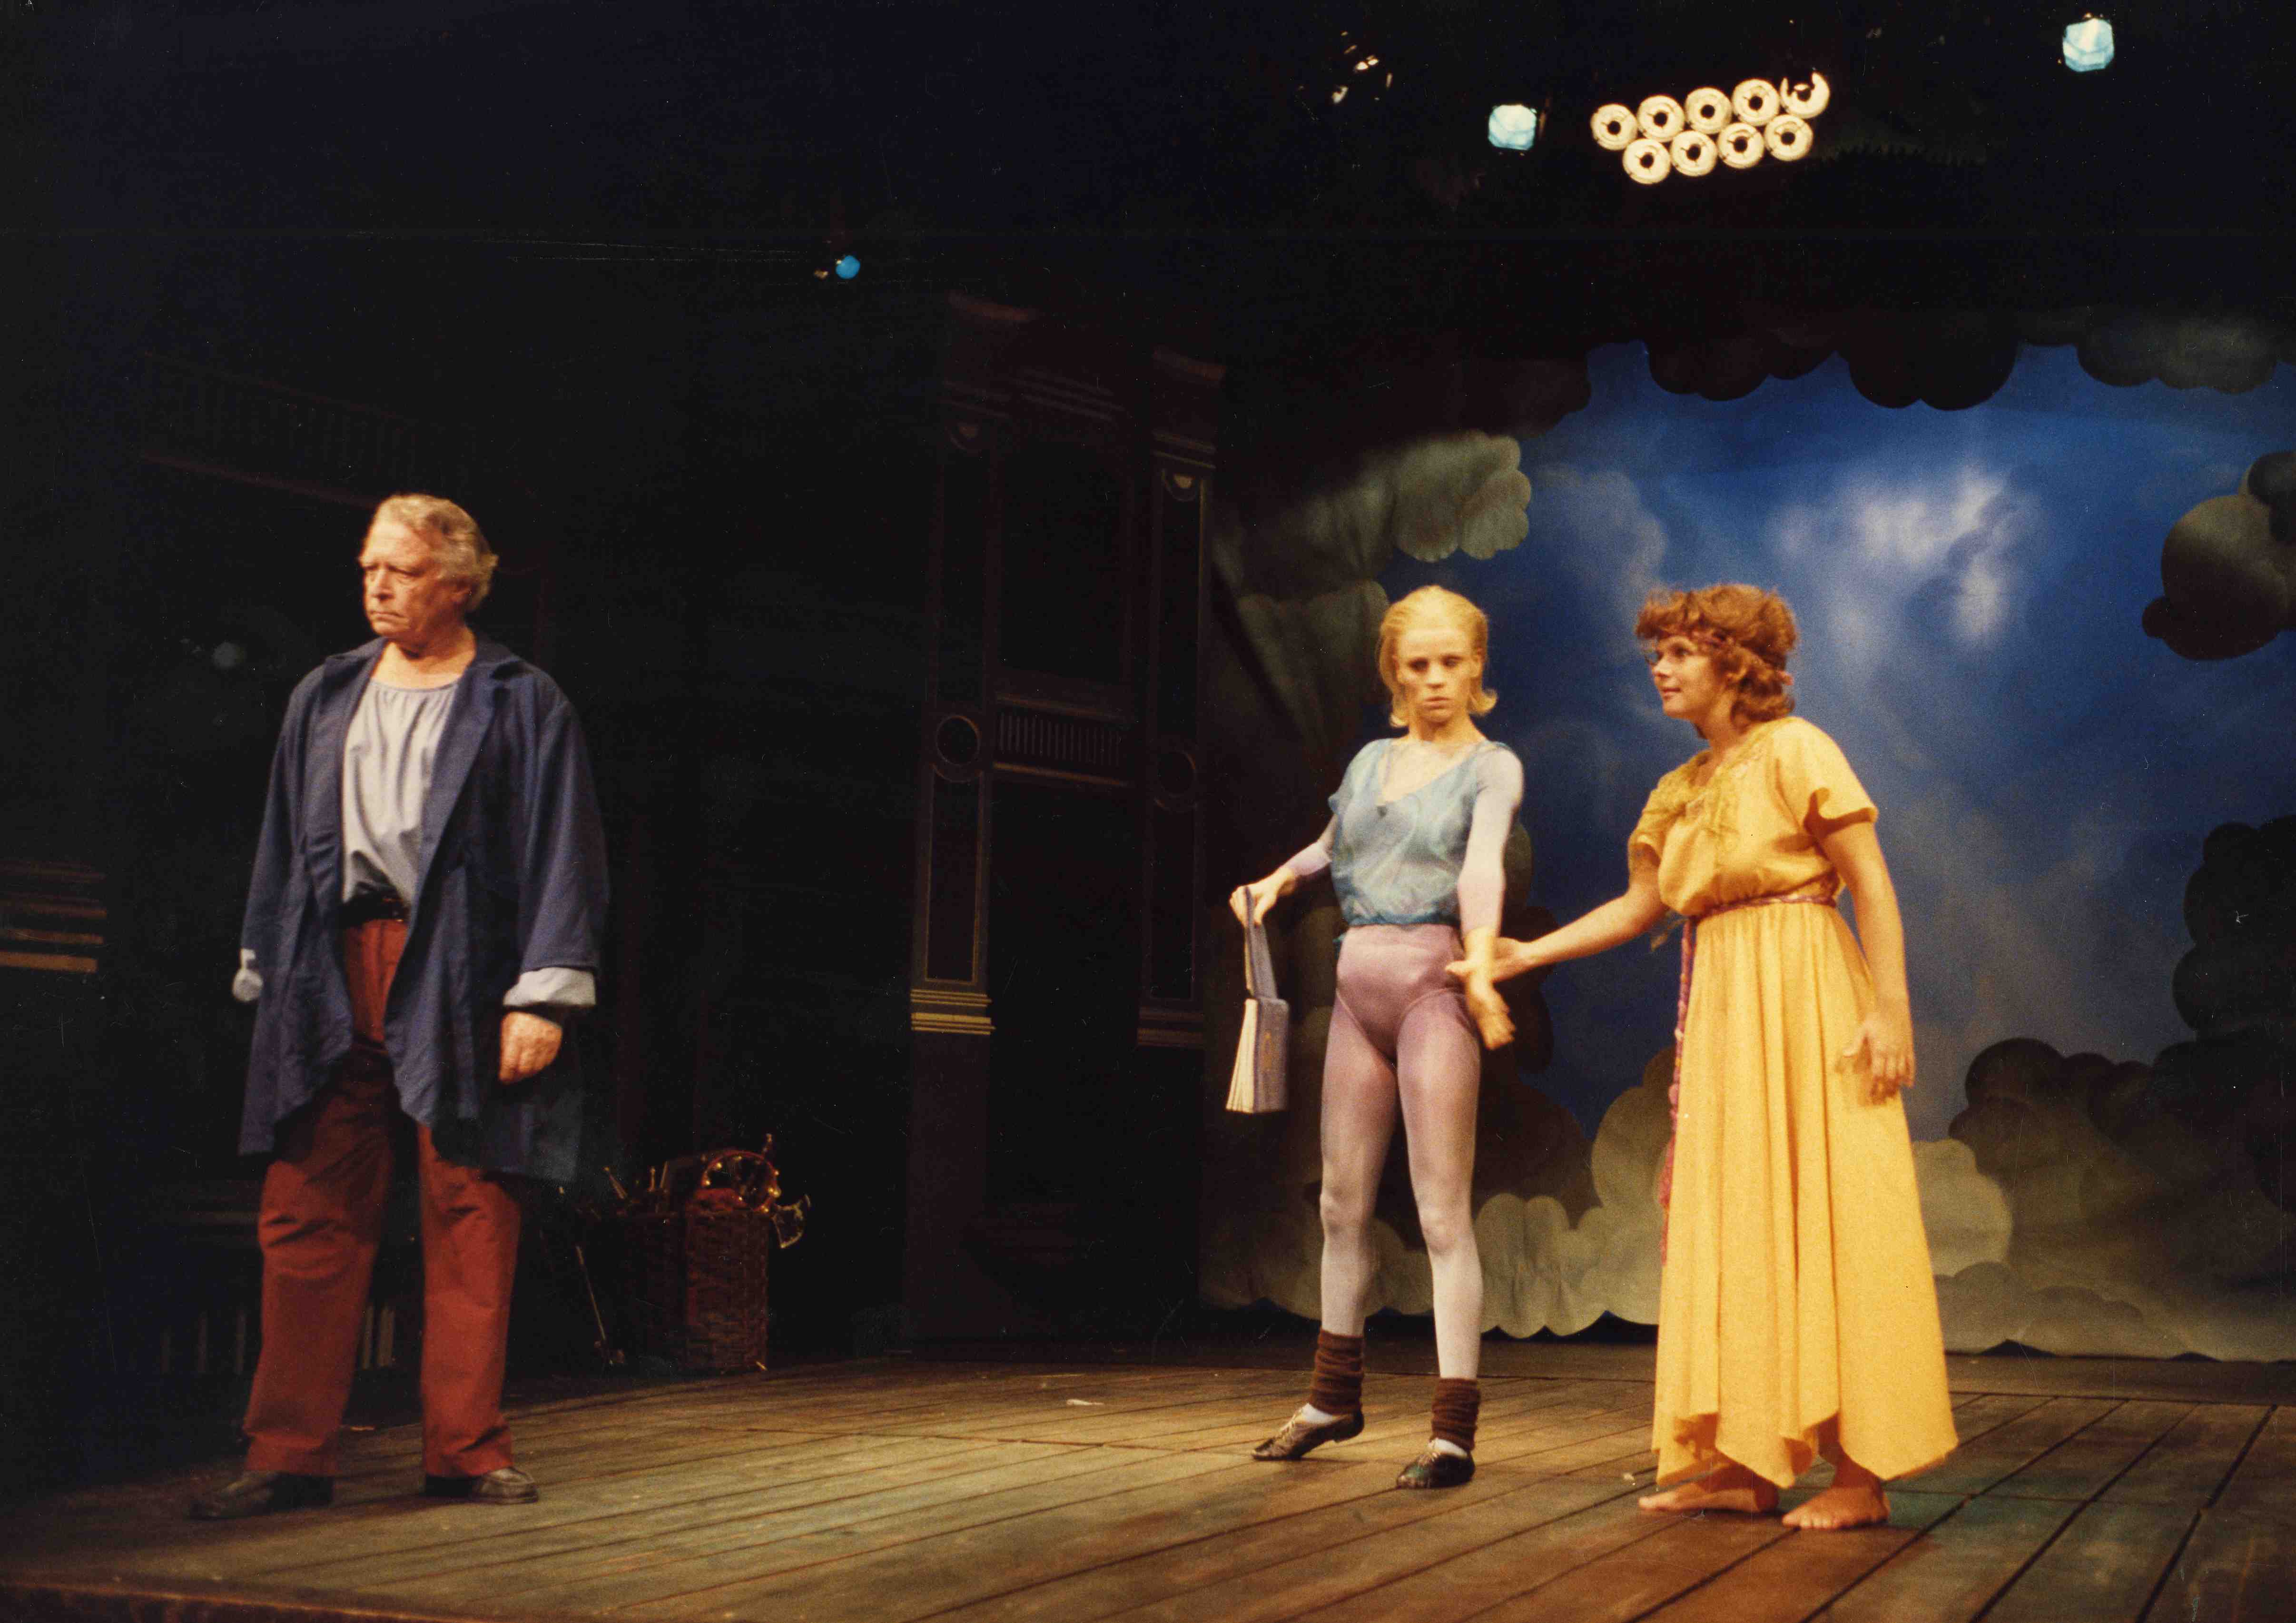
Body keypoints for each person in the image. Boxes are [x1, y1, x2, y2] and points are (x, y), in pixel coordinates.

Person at [1466, 583, 1955, 1531]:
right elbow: (1639, 907)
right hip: (1728, 1008)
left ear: (1735, 664)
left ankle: (1861, 1475)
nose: (1660, 668)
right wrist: (1526, 954)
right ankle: (1744, 1463)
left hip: (1806, 992)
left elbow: (1869, 880)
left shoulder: (1797, 749)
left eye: (1680, 652)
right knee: (1738, 1219)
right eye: (1657, 653)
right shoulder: (1680, 787)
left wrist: (1890, 1009)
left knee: (1833, 1210)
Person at [190, 494, 609, 1520]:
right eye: (369, 568)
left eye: (402, 571)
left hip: (460, 968)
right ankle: (288, 1452)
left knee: (469, 1205)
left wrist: (544, 994)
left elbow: (564, 846)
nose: (377, 587)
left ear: (459, 584)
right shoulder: (328, 690)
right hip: (333, 965)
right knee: (308, 1203)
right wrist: (267, 961)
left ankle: (465, 1449)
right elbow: (282, 840)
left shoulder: (521, 700)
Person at [1230, 584, 1522, 1490]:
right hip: (1358, 988)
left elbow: (1480, 867)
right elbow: (1335, 841)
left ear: (1476, 666)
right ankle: (1331, 1398)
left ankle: (1452, 1432)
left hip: (1433, 984)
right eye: (1416, 664)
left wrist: (1481, 961)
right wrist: (1277, 881)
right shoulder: (1369, 761)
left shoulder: (1491, 767)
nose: (1433, 679)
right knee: (1338, 1205)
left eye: (1450, 662)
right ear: (1393, 672)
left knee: (1439, 1211)